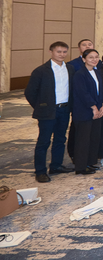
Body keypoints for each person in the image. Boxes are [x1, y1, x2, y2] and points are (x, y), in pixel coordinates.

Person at [26, 41, 75, 182]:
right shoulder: (41, 70)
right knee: (44, 141)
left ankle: (56, 165)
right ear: (51, 52)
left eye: (64, 52)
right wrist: (41, 106)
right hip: (47, 111)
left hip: (64, 110)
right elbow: (30, 92)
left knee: (60, 139)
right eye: (58, 52)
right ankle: (40, 171)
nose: (62, 54)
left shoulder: (70, 69)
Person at [71, 49, 103, 175]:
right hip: (84, 111)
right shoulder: (80, 74)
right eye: (91, 57)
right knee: (83, 140)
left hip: (97, 110)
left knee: (93, 138)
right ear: (84, 59)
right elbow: (82, 93)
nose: (94, 59)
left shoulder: (97, 72)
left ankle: (89, 162)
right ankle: (80, 166)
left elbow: (101, 91)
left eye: (96, 57)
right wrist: (93, 107)